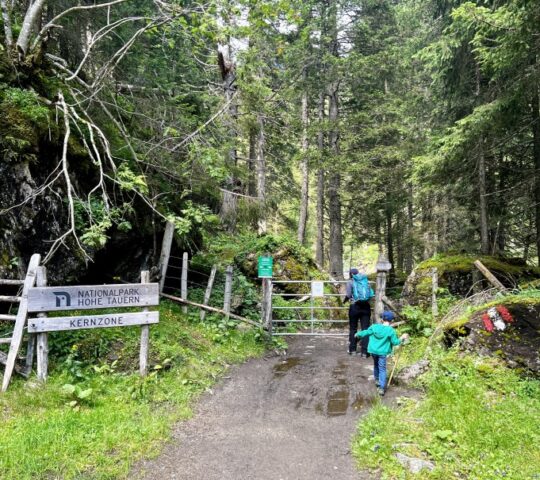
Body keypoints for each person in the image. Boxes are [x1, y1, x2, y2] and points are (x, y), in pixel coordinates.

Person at [355, 310, 408, 396]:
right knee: (382, 368)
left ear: (382, 319)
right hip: (382, 352)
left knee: (376, 365)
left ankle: (377, 380)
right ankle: (382, 388)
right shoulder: (390, 331)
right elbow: (395, 342)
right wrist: (402, 338)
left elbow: (366, 332)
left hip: (373, 351)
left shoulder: (374, 327)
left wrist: (358, 334)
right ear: (392, 321)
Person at [344, 267, 374, 356]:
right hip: (366, 307)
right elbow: (370, 294)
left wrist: (345, 300)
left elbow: (349, 295)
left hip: (354, 306)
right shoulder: (365, 281)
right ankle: (365, 352)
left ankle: (352, 350)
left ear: (351, 274)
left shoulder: (350, 282)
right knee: (365, 329)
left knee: (353, 328)